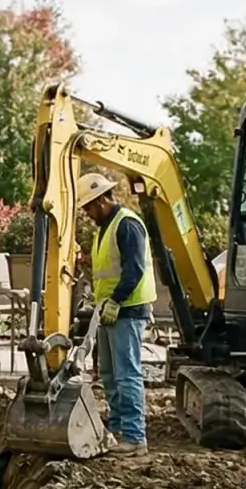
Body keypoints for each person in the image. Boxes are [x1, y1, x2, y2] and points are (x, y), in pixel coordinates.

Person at [78, 172, 155, 453]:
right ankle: (118, 429)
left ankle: (135, 437)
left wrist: (116, 300)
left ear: (101, 200)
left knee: (127, 374)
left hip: (127, 310)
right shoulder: (106, 228)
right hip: (109, 310)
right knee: (109, 374)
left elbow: (134, 269)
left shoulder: (127, 225)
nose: (87, 214)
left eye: (88, 208)